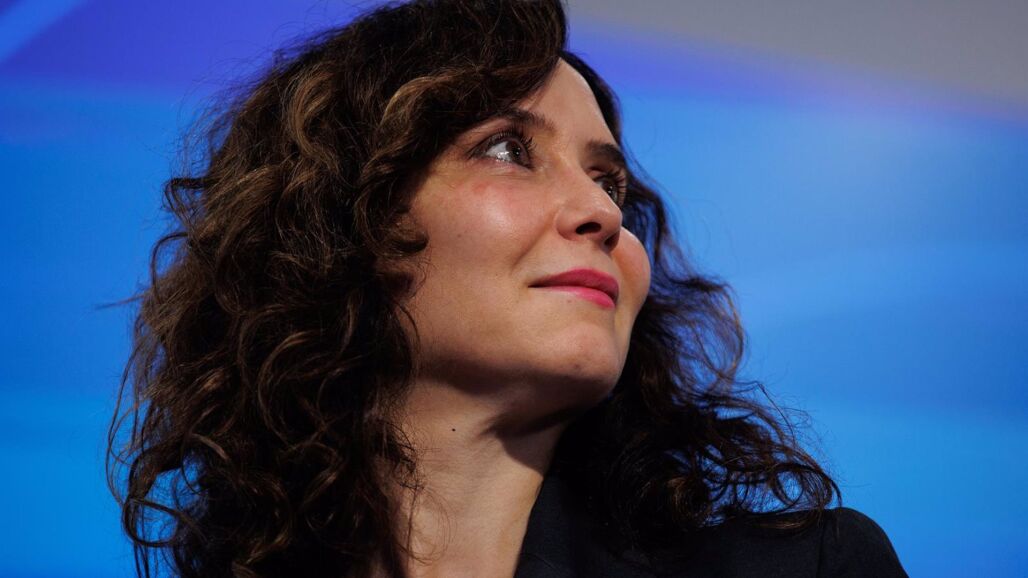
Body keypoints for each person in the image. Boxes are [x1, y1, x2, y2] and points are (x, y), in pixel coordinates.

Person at [106, 1, 907, 576]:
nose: (603, 212)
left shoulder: (812, 566)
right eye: (507, 150)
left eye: (609, 181)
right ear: (339, 226)